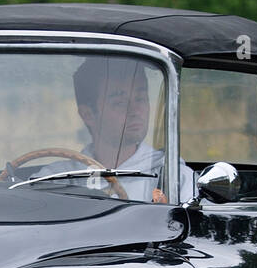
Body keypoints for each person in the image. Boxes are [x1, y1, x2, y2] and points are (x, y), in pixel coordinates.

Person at [46, 57, 196, 202]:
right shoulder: (56, 179)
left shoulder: (174, 178)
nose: (135, 110)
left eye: (140, 98)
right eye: (119, 102)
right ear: (88, 115)